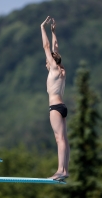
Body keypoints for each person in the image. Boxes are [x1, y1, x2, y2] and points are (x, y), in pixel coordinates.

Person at [40, 16, 70, 181]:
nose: (46, 63)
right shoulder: (62, 70)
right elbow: (55, 47)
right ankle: (64, 169)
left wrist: (42, 28)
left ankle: (60, 170)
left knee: (59, 139)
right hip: (63, 107)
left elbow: (47, 47)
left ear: (51, 61)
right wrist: (54, 31)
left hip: (55, 108)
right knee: (64, 139)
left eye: (48, 60)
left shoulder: (53, 69)